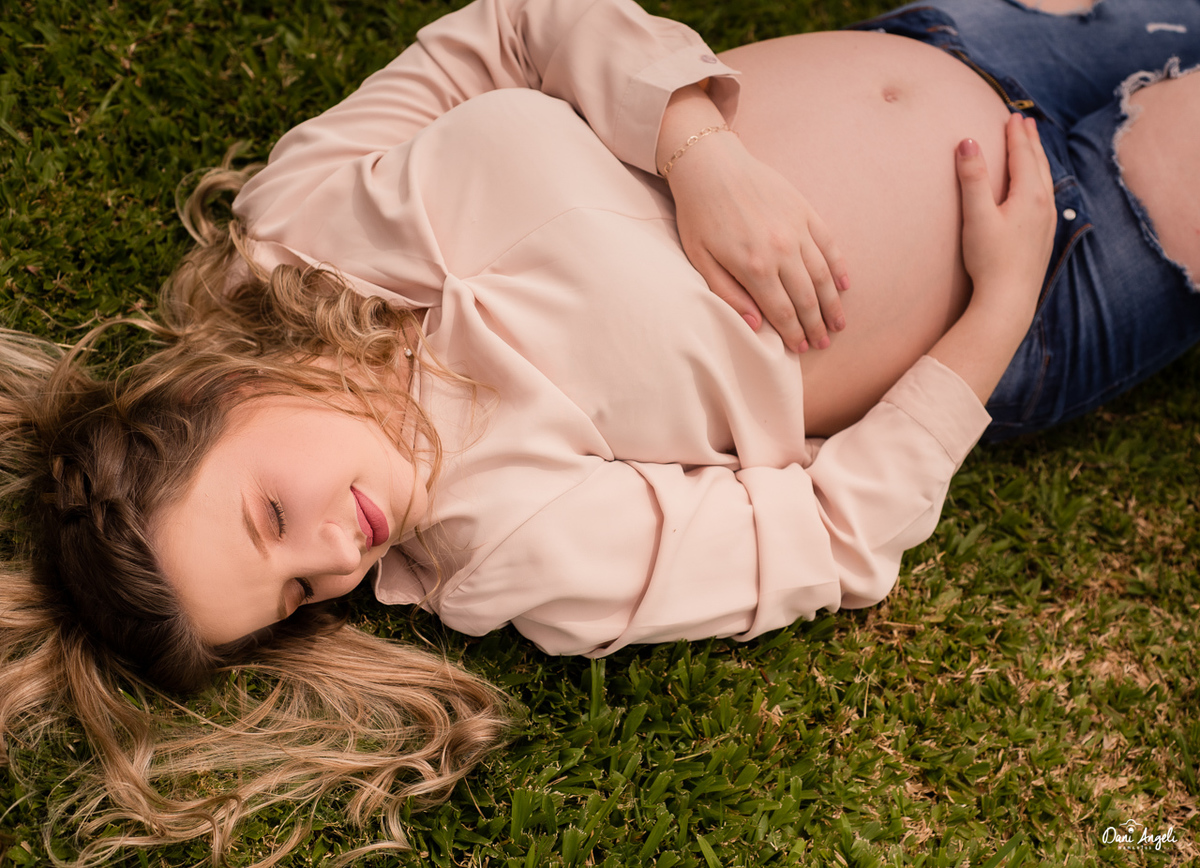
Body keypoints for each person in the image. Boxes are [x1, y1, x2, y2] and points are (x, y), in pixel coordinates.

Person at [0, 0, 1196, 863]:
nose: (333, 555)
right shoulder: (508, 544)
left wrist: (699, 152)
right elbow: (831, 535)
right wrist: (1003, 300)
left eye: (270, 515)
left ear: (219, 398)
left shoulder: (303, 221)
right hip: (1063, 265)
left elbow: (513, 29)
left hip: (953, 39)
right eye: (298, 594)